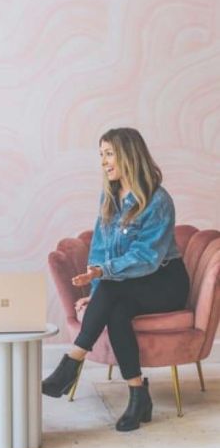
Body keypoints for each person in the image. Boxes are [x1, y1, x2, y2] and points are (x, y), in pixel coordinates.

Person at [42, 127, 190, 432]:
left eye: (109, 154)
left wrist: (103, 276)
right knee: (115, 309)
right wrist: (96, 290)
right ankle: (138, 396)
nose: (104, 162)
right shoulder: (109, 196)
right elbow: (99, 249)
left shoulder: (157, 200)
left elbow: (146, 257)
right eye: (101, 155)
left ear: (128, 155)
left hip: (165, 282)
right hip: (127, 284)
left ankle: (72, 362)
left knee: (111, 289)